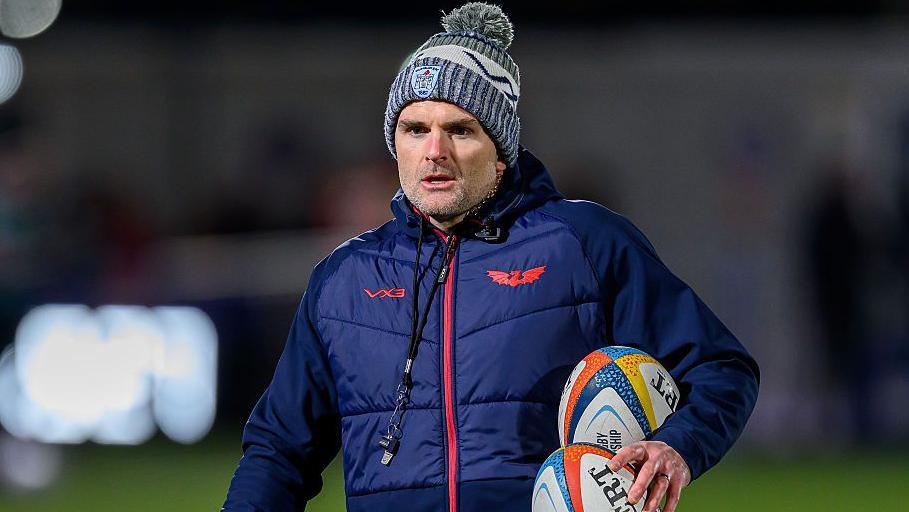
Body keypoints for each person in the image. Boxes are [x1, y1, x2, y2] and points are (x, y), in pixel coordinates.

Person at [222, 3, 759, 512]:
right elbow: (278, 451)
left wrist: (678, 449)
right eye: (415, 130)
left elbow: (720, 368)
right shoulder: (343, 280)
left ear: (501, 153)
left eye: (459, 130)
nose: (435, 151)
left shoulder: (583, 243)